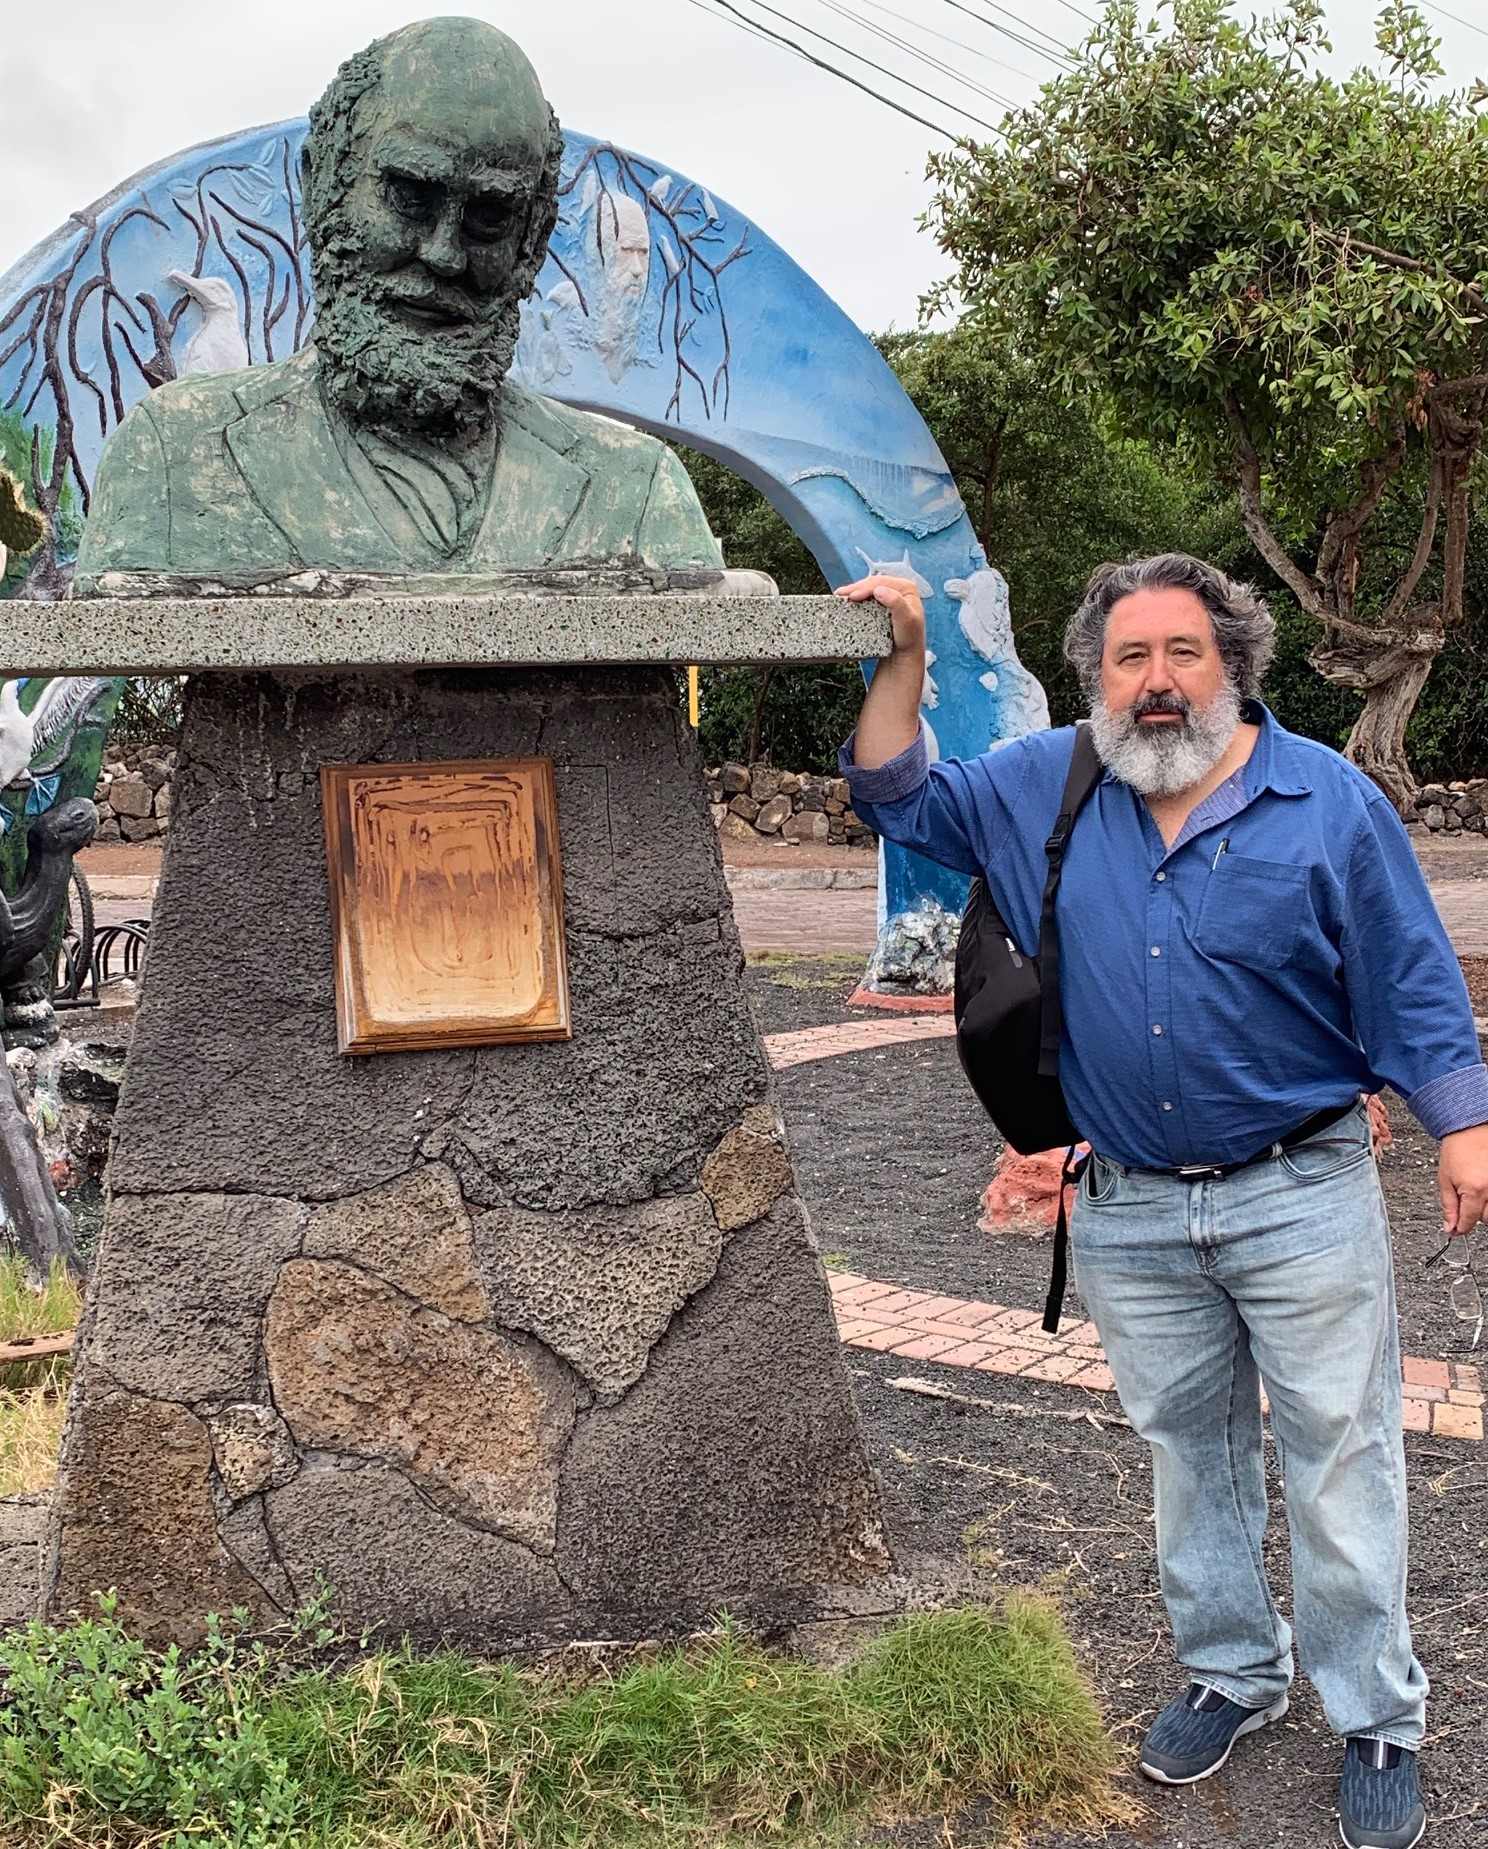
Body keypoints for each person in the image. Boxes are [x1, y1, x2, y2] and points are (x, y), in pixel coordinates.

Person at [837, 553, 1488, 1849]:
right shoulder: (1041, 786)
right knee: (1191, 1462)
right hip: (1131, 1204)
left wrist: (1462, 1120)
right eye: (1128, 659)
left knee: (1341, 1457)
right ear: (1097, 679)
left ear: (1233, 665)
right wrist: (901, 657)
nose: (1155, 680)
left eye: (1181, 653)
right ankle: (1233, 1671)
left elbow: (1412, 969)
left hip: (1302, 1189)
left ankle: (1374, 1711)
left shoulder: (1327, 801)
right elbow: (892, 791)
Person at [75, 18, 719, 589]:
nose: (444, 254)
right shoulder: (173, 457)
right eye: (409, 196)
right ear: (322, 185)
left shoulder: (634, 495)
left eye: (489, 216)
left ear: (533, 238)